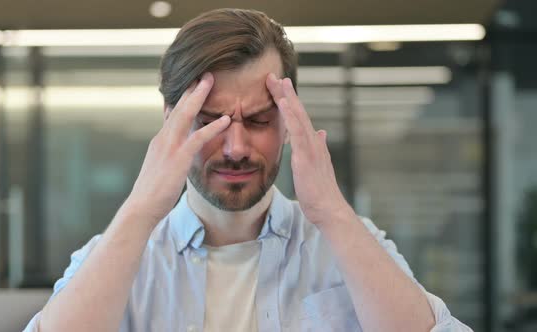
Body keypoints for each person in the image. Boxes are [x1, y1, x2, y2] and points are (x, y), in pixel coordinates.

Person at [24, 8, 472, 332]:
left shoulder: (350, 242)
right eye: (209, 123)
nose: (236, 148)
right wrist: (141, 210)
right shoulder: (116, 256)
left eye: (258, 120)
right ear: (170, 120)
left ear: (289, 117)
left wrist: (333, 213)